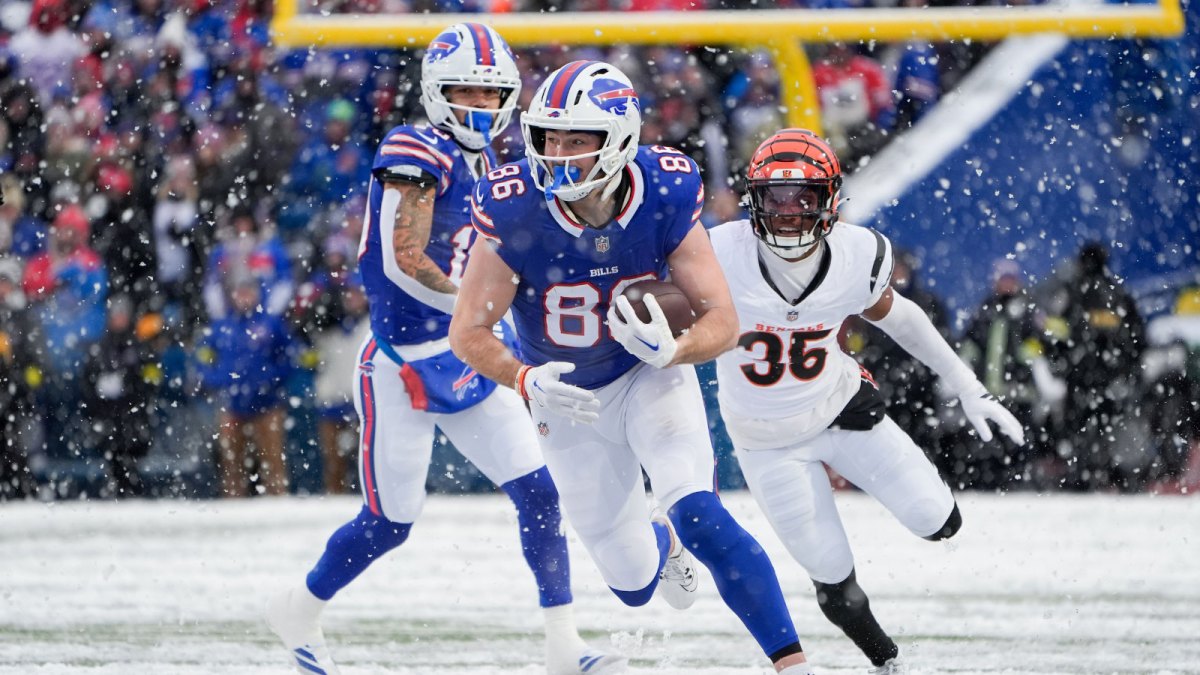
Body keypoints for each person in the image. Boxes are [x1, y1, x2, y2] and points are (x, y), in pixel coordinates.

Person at [266, 26, 624, 675]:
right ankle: (299, 605)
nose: (479, 105)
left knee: (539, 493)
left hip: (468, 353)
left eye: (491, 93)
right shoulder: (414, 146)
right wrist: (479, 305)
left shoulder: (495, 163)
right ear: (436, 91)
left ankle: (562, 645)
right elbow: (400, 263)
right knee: (389, 523)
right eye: (465, 90)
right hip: (401, 362)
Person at [450, 60, 815, 675]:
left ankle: (793, 663)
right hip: (565, 400)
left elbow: (721, 319)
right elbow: (469, 331)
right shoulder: (515, 209)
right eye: (548, 137)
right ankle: (660, 545)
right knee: (633, 585)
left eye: (576, 139)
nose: (557, 153)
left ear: (618, 139)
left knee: (699, 510)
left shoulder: (665, 191)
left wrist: (673, 351)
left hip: (648, 374)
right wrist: (522, 377)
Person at [707, 129, 1025, 674]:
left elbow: (901, 317)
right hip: (766, 441)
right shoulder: (717, 252)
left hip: (840, 407)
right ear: (753, 199)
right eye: (775, 199)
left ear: (829, 199)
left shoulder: (858, 253)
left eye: (803, 197)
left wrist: (969, 386)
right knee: (831, 574)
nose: (788, 212)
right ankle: (888, 662)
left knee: (939, 521)